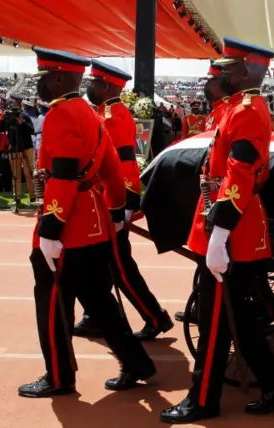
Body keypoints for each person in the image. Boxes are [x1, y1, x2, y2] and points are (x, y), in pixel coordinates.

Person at [160, 38, 274, 424]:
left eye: (228, 67)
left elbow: (239, 174)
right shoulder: (236, 108)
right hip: (227, 221)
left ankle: (203, 400)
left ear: (248, 71)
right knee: (235, 316)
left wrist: (220, 235)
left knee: (215, 321)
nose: (219, 73)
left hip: (233, 227)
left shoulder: (249, 111)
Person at [18, 47, 155, 398]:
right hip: (94, 221)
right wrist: (117, 208)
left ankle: (59, 377)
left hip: (69, 223)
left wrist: (50, 230)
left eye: (44, 78)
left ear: (60, 77)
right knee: (98, 299)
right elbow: (111, 166)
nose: (41, 86)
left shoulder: (61, 114)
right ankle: (136, 361)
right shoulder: (90, 113)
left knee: (51, 302)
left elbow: (63, 177)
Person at [73, 59, 174, 341]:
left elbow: (125, 163)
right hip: (106, 201)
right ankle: (95, 316)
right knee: (99, 267)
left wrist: (126, 204)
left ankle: (155, 317)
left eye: (93, 83)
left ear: (105, 86)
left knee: (120, 269)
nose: (89, 87)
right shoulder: (109, 112)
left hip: (112, 203)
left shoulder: (112, 117)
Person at [175, 61, 229, 324]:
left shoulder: (225, 112)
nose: (206, 87)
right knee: (202, 255)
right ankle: (202, 305)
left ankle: (206, 308)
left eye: (211, 81)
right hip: (208, 189)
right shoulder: (216, 112)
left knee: (207, 255)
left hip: (218, 194)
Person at [0, 93, 36, 205]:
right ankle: (17, 197)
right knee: (15, 174)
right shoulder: (7, 116)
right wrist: (2, 119)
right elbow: (1, 129)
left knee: (28, 173)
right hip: (14, 147)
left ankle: (33, 196)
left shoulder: (24, 115)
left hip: (26, 147)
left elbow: (32, 130)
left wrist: (22, 123)